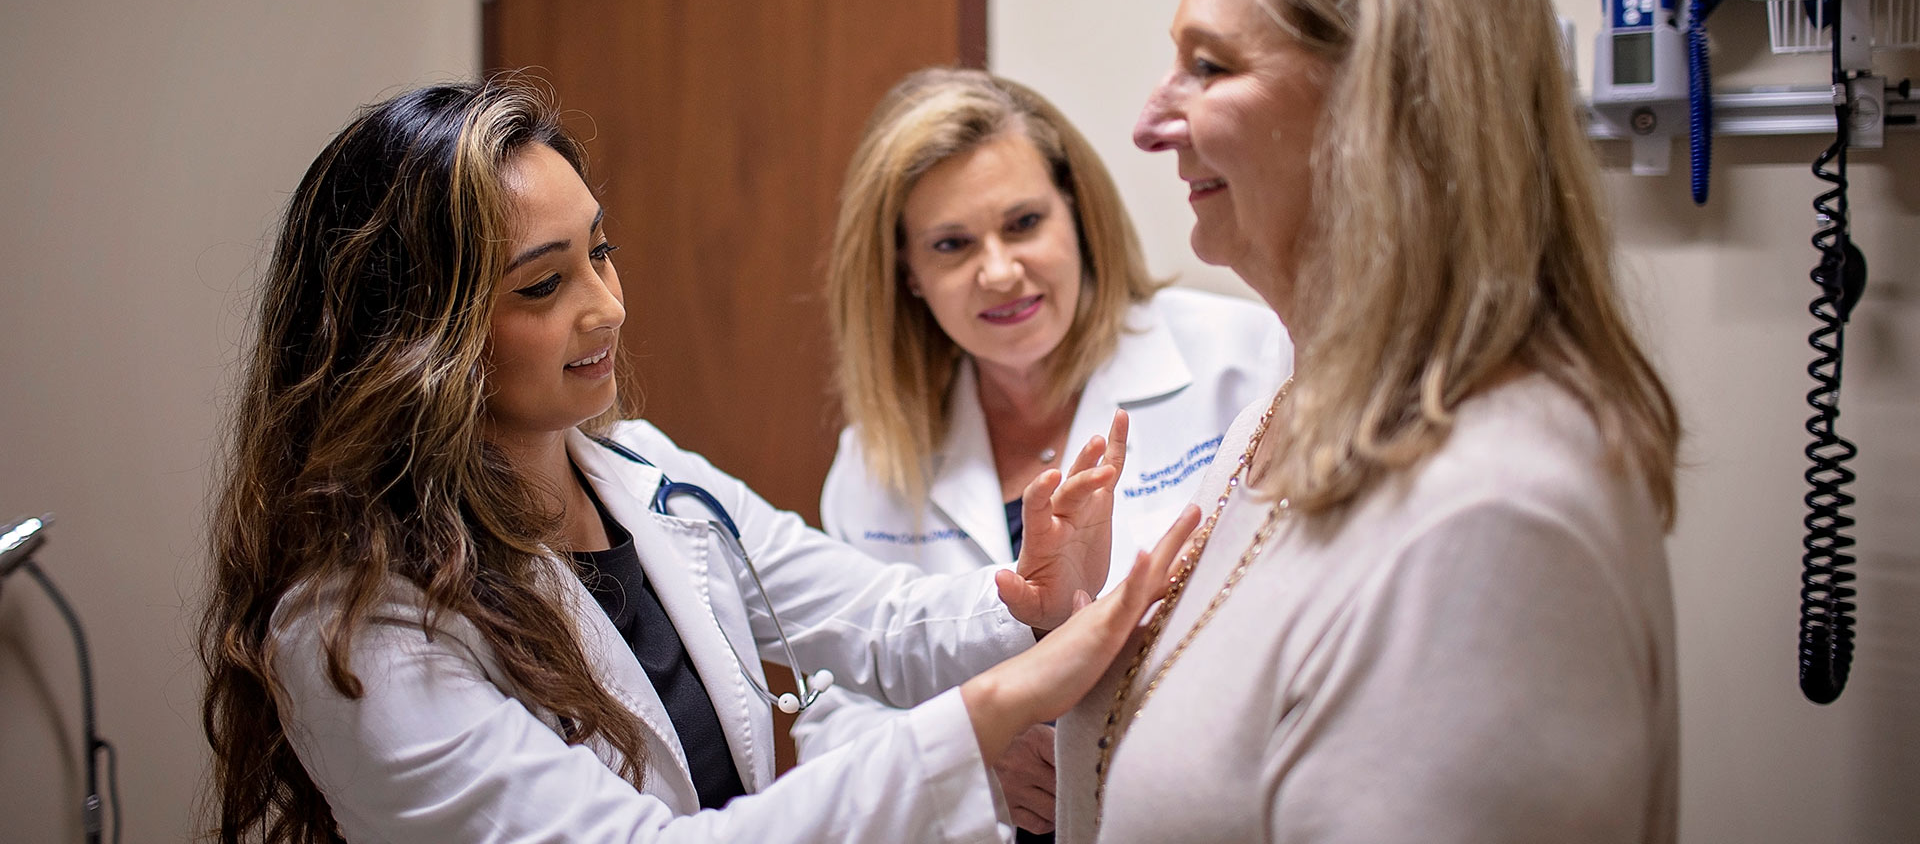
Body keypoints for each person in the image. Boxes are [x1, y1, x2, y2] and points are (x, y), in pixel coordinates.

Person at [197, 79, 1201, 844]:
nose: (606, 307)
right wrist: (1000, 709)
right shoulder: (362, 630)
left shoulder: (641, 471)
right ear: (415, 333)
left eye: (601, 250)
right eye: (543, 286)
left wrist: (1026, 599)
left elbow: (873, 620)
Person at [1053, 0, 1682, 843]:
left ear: (1379, 105)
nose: (1148, 122)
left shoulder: (1488, 521)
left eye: (1209, 66)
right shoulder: (1301, 402)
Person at [792, 67, 1289, 838]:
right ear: (910, 276)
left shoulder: (1245, 361)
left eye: (1023, 223)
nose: (998, 271)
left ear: (1078, 219)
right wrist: (969, 766)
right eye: (952, 244)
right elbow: (833, 719)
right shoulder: (874, 464)